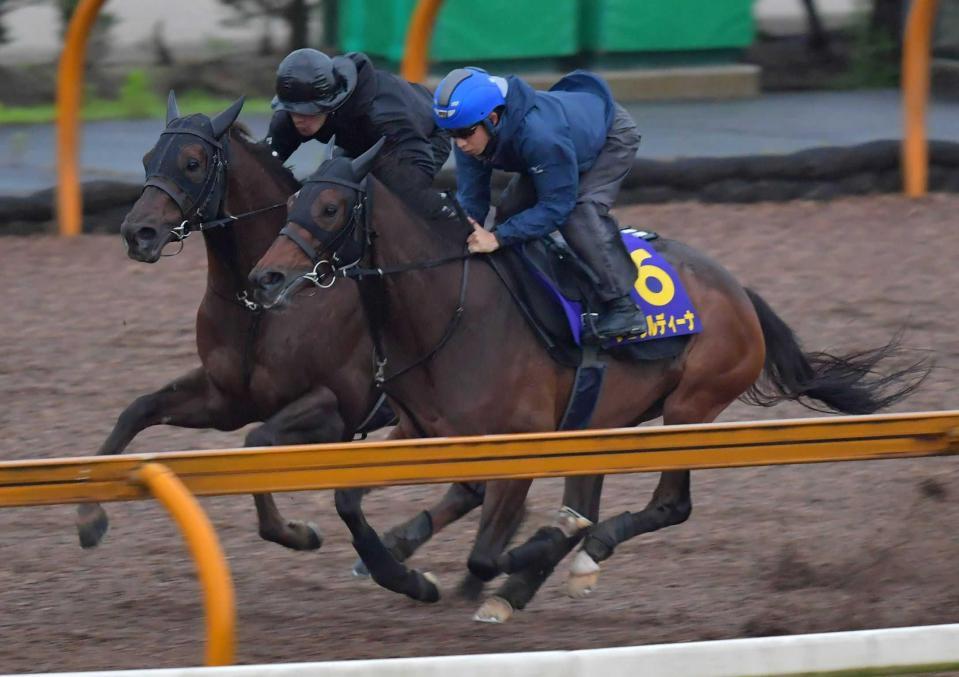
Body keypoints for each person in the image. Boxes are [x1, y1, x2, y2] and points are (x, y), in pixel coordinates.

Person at [432, 67, 646, 341]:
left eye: (464, 133)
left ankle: (622, 306)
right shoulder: (472, 127)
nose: (459, 144)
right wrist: (466, 229)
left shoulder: (539, 136)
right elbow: (473, 199)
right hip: (562, 142)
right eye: (451, 134)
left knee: (578, 213)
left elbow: (558, 207)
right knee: (509, 214)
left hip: (609, 138)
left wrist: (497, 238)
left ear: (493, 119)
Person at [267, 48, 450, 192]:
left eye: (308, 112)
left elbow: (418, 174)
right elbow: (265, 162)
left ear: (332, 103)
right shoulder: (290, 116)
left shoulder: (383, 115)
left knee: (390, 197)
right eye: (292, 111)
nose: (298, 120)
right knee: (328, 187)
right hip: (360, 143)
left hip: (425, 137)